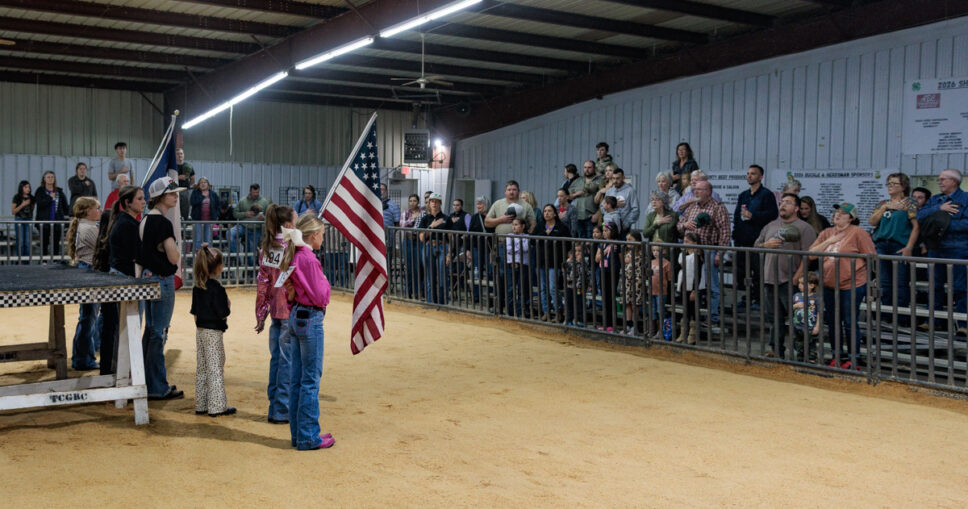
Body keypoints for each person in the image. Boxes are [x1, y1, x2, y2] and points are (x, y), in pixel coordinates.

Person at [279, 214, 335, 450]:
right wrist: (326, 282)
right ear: (313, 236)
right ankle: (309, 435)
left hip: (296, 316)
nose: (323, 237)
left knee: (298, 379)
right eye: (322, 234)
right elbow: (322, 295)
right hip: (310, 318)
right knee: (311, 380)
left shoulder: (294, 255)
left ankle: (300, 433)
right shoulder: (309, 259)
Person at [809, 202, 876, 370]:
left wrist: (864, 276)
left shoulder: (859, 233)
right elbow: (811, 253)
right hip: (829, 282)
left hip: (851, 283)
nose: (837, 215)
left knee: (849, 320)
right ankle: (836, 355)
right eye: (837, 212)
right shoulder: (827, 233)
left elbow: (870, 255)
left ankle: (854, 358)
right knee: (833, 320)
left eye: (843, 213)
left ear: (851, 218)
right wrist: (829, 241)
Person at [755, 193, 817, 359]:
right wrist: (765, 245)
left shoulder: (805, 228)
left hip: (791, 279)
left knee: (799, 318)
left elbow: (808, 255)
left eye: (788, 203)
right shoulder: (771, 225)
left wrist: (798, 277)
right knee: (774, 318)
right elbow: (756, 245)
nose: (783, 205)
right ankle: (776, 350)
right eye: (781, 202)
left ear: (796, 208)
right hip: (769, 278)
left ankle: (805, 353)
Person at [140, 177, 186, 400]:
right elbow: (173, 256)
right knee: (159, 332)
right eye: (171, 193)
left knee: (150, 331)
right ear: (160, 196)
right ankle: (156, 386)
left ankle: (146, 381)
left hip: (148, 277)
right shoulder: (163, 224)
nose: (175, 196)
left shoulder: (145, 220)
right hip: (162, 279)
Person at [95, 185, 144, 376]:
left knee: (114, 326)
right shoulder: (127, 225)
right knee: (119, 328)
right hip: (123, 280)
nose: (143, 201)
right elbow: (135, 257)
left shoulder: (126, 222)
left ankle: (113, 369)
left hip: (120, 277)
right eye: (139, 199)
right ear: (127, 203)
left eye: (143, 198)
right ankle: (117, 370)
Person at [256, 204, 297, 424]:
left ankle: (275, 406)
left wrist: (261, 312)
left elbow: (263, 282)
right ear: (289, 224)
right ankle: (282, 409)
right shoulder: (291, 247)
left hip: (275, 310)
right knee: (287, 361)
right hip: (289, 309)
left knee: (277, 360)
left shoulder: (268, 247)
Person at [916, 169, 968, 336]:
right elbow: (920, 216)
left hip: (958, 248)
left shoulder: (965, 199)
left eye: (943, 179)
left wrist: (940, 225)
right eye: (939, 179)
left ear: (954, 181)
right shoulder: (935, 200)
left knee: (960, 287)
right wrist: (939, 208)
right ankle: (933, 321)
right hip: (936, 247)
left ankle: (963, 324)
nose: (939, 182)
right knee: (934, 285)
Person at [676, 179, 731, 329]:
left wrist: (720, 253)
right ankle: (691, 317)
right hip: (689, 250)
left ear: (708, 191)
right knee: (690, 283)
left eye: (699, 189)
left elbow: (725, 233)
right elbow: (679, 224)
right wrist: (685, 225)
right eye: (695, 189)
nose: (696, 192)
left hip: (708, 250)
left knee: (711, 285)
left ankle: (712, 318)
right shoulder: (692, 206)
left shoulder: (718, 208)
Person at [191, 245, 235, 417]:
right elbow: (223, 312)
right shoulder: (217, 289)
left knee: (202, 368)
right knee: (215, 368)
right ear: (217, 267)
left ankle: (201, 404)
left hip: (200, 331)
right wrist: (228, 306)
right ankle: (217, 406)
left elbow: (194, 313)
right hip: (213, 332)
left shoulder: (197, 287)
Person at [869, 172, 919, 313]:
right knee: (884, 282)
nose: (890, 186)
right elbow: (872, 221)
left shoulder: (910, 203)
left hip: (899, 245)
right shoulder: (883, 204)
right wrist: (885, 208)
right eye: (888, 183)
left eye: (894, 183)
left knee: (901, 282)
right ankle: (885, 316)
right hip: (882, 245)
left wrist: (909, 247)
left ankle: (901, 316)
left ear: (903, 186)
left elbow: (916, 227)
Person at [486, 181, 536, 313]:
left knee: (522, 278)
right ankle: (501, 305)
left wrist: (526, 235)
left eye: (514, 189)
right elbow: (487, 222)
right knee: (501, 276)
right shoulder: (498, 204)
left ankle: (521, 308)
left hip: (521, 247)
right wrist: (500, 220)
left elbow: (533, 223)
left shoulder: (525, 205)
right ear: (505, 191)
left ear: (518, 191)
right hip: (502, 245)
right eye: (509, 189)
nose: (511, 192)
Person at [733, 164, 779, 311]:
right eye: (748, 173)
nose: (749, 176)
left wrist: (753, 216)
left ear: (760, 177)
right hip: (742, 239)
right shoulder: (743, 195)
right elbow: (737, 216)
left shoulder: (766, 195)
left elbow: (772, 214)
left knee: (758, 271)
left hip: (758, 240)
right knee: (743, 271)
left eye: (753, 174)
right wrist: (736, 234)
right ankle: (746, 298)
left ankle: (759, 300)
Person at [66, 197, 102, 371]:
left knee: (88, 316)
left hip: (86, 270)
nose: (100, 211)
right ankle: (83, 359)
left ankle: (85, 355)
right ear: (88, 211)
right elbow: (103, 247)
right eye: (97, 208)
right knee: (88, 317)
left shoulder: (83, 226)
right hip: (90, 272)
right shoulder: (90, 229)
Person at [534, 204, 570, 322]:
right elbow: (532, 239)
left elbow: (568, 243)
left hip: (555, 262)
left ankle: (559, 311)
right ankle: (546, 312)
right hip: (541, 261)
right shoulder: (540, 226)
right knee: (543, 288)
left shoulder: (562, 227)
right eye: (545, 211)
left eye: (549, 211)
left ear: (555, 213)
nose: (546, 213)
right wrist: (545, 234)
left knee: (552, 288)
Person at [418, 193, 451, 305]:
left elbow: (451, 238)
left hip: (443, 247)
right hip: (428, 246)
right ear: (429, 203)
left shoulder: (447, 218)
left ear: (440, 203)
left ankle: (443, 302)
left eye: (437, 201)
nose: (434, 204)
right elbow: (421, 237)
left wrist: (449, 254)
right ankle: (431, 302)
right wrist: (431, 226)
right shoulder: (425, 219)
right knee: (429, 276)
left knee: (443, 276)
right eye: (432, 201)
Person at [675, 232, 705, 344]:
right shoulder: (683, 254)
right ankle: (683, 333)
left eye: (687, 241)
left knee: (693, 310)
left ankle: (692, 335)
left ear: (695, 243)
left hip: (693, 286)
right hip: (684, 284)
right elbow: (677, 267)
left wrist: (694, 290)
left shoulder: (697, 256)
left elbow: (698, 274)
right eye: (684, 241)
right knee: (686, 310)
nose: (685, 243)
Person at [232, 183, 272, 262]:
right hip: (243, 226)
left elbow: (270, 216)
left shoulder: (264, 202)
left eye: (257, 192)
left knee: (251, 251)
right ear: (250, 191)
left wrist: (264, 218)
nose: (255, 194)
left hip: (256, 229)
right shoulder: (242, 201)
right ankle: (236, 258)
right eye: (254, 192)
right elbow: (235, 213)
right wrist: (245, 214)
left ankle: (250, 272)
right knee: (229, 234)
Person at [34, 170, 69, 257]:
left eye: (52, 177)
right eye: (48, 177)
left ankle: (55, 260)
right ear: (44, 179)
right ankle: (44, 260)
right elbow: (39, 203)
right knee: (44, 242)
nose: (50, 179)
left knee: (56, 242)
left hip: (56, 222)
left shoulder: (59, 192)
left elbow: (65, 207)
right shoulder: (40, 191)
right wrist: (49, 198)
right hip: (44, 222)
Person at [596, 221, 621, 332]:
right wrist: (605, 250)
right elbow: (597, 259)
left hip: (613, 271)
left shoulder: (617, 244)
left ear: (613, 231)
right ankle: (605, 322)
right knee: (604, 296)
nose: (604, 233)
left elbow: (620, 259)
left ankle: (612, 323)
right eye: (604, 231)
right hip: (603, 271)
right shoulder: (602, 244)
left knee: (611, 296)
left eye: (607, 231)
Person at [792, 272, 822, 363]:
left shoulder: (816, 298)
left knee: (811, 346)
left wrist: (817, 326)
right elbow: (791, 308)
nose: (799, 285)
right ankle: (800, 361)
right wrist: (796, 306)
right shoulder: (796, 296)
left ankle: (811, 361)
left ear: (812, 285)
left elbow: (820, 313)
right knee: (799, 345)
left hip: (810, 327)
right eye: (799, 283)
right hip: (798, 326)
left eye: (802, 283)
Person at [505, 217, 532, 319]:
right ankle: (510, 311)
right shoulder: (508, 236)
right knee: (510, 288)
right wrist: (518, 247)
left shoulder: (527, 236)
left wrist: (516, 247)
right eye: (513, 225)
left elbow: (525, 248)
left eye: (516, 225)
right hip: (511, 265)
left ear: (523, 226)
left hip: (523, 265)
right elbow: (509, 249)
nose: (514, 227)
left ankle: (522, 311)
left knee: (522, 289)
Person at [622, 231, 646, 335]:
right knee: (627, 303)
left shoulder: (641, 252)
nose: (628, 242)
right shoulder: (627, 252)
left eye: (630, 240)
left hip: (637, 281)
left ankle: (634, 326)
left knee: (634, 304)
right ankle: (628, 325)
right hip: (627, 280)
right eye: (627, 240)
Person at [571, 160, 602, 238]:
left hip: (591, 216)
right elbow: (568, 196)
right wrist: (576, 194)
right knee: (580, 242)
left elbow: (604, 199)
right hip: (578, 215)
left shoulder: (600, 181)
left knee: (591, 241)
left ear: (594, 168)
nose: (587, 169)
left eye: (589, 167)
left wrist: (598, 213)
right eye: (585, 167)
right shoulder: (577, 181)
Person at [648, 243, 673, 340]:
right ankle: (652, 330)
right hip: (652, 291)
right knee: (653, 311)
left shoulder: (667, 263)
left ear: (663, 251)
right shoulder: (651, 262)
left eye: (657, 251)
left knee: (660, 311)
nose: (655, 253)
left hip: (661, 292)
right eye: (653, 250)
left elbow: (669, 279)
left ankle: (660, 331)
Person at [603, 168, 639, 234]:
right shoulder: (609, 191)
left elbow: (635, 209)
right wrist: (614, 204)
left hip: (623, 227)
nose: (615, 181)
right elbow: (602, 206)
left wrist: (626, 223)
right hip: (608, 227)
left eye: (618, 178)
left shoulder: (630, 191)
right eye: (613, 178)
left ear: (623, 178)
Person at [401, 194, 424, 300]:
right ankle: (407, 291)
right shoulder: (405, 213)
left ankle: (417, 292)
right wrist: (412, 219)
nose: (412, 203)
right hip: (408, 241)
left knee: (418, 268)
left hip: (418, 242)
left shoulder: (422, 213)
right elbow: (402, 226)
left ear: (418, 202)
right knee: (409, 268)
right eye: (410, 201)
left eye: (414, 200)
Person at [189, 177, 220, 250]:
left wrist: (216, 215)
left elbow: (218, 205)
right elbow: (192, 202)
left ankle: (207, 257)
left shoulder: (213, 194)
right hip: (197, 220)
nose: (203, 184)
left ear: (208, 184)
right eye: (201, 182)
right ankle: (198, 257)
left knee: (208, 239)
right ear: (199, 185)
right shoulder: (195, 192)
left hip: (209, 220)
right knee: (198, 239)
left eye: (205, 182)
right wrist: (202, 197)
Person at [563, 242, 588, 327]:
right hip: (570, 286)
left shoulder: (584, 262)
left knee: (579, 303)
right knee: (569, 303)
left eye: (580, 251)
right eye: (575, 251)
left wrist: (579, 262)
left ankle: (580, 320)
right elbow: (565, 271)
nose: (577, 253)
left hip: (579, 288)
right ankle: (569, 319)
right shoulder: (569, 261)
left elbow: (584, 273)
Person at [11, 180, 34, 262]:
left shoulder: (31, 197)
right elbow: (13, 211)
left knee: (27, 241)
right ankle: (19, 260)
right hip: (19, 219)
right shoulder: (17, 197)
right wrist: (22, 205)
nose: (28, 189)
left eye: (29, 187)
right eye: (26, 187)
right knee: (20, 241)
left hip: (28, 219)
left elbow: (32, 209)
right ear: (21, 188)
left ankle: (27, 261)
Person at [176, 148, 195, 220]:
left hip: (185, 191)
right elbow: (168, 179)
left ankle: (185, 227)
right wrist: (178, 178)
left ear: (183, 155)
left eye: (181, 153)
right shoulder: (171, 166)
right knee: (175, 211)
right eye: (177, 154)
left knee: (185, 211)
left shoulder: (189, 166)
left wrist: (186, 186)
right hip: (174, 191)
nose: (179, 155)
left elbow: (193, 179)